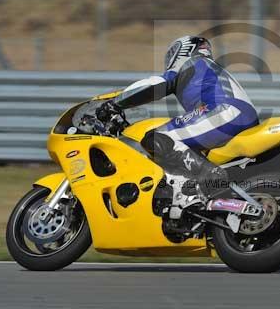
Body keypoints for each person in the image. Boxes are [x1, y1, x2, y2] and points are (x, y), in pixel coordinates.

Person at [96, 36, 259, 196]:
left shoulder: (191, 63)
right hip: (238, 115)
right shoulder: (208, 67)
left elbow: (155, 84)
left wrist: (115, 103)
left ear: (183, 50)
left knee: (155, 138)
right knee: (181, 146)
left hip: (224, 112)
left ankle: (210, 175)